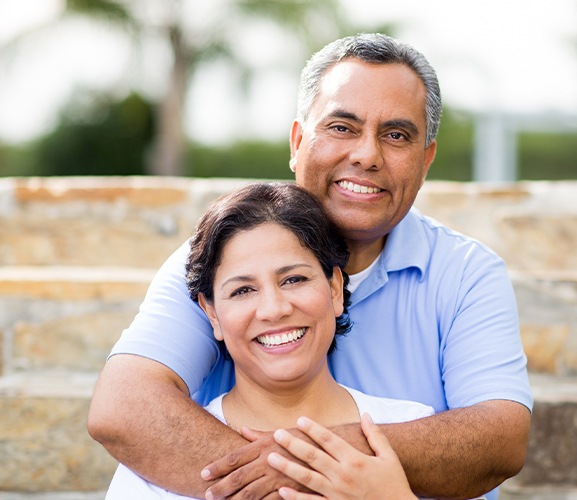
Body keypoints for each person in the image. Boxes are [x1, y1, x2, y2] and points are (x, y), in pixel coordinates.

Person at [88, 33, 532, 499]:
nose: (366, 155)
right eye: (341, 127)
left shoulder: (466, 273)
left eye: (396, 135)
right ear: (298, 141)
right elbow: (124, 407)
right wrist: (303, 473)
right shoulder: (220, 257)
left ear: (426, 160)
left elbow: (499, 439)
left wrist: (306, 464)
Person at [106, 182, 433, 499]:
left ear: (334, 289)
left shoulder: (412, 427)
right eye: (243, 290)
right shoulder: (158, 463)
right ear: (213, 314)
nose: (274, 309)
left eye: (294, 279)